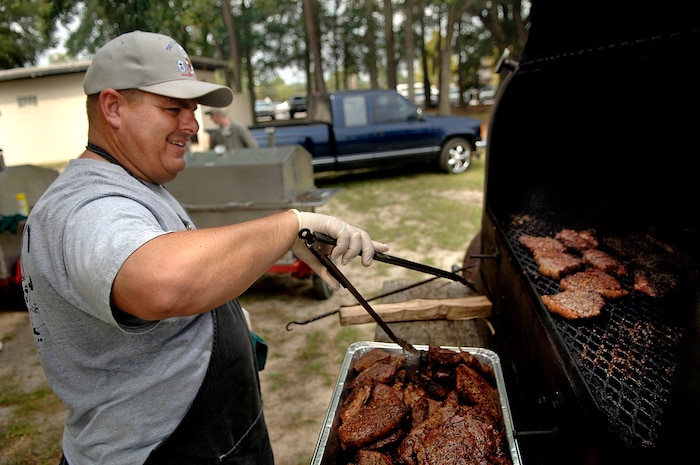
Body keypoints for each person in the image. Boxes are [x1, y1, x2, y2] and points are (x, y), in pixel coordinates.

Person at [20, 30, 388, 465]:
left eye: (191, 110)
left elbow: (179, 265)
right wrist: (291, 223)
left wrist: (224, 317)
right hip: (162, 452)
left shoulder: (138, 181)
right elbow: (162, 284)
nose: (192, 125)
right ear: (113, 107)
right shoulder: (83, 207)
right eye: (172, 108)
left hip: (220, 438)